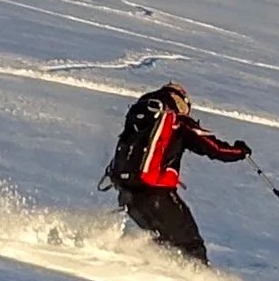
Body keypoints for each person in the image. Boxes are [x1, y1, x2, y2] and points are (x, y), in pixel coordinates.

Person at [102, 81, 249, 263]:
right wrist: (240, 152)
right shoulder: (177, 121)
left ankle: (158, 275)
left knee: (163, 243)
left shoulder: (142, 117)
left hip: (127, 194)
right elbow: (214, 148)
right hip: (157, 194)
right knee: (191, 245)